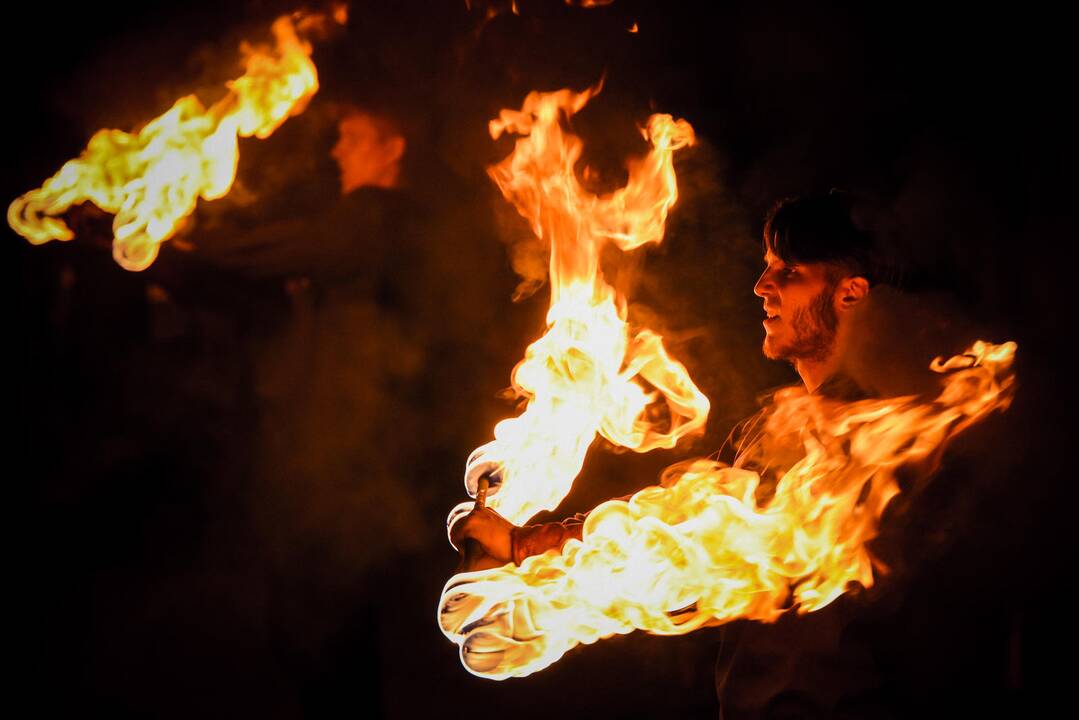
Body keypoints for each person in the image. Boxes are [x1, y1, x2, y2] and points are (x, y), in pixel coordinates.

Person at [451, 190, 901, 717]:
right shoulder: (763, 430)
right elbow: (680, 545)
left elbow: (709, 545)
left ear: (850, 293)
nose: (762, 287)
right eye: (767, 268)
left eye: (790, 272)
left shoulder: (878, 429)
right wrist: (530, 554)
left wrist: (531, 546)